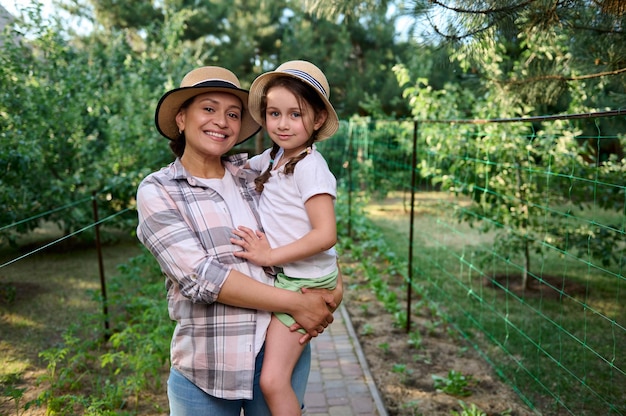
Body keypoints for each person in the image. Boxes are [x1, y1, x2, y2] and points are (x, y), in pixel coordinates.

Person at [135, 65, 342, 416]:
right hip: (210, 362)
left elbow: (305, 228)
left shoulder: (252, 174)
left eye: (233, 114)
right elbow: (201, 277)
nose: (222, 121)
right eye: (209, 109)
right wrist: (297, 304)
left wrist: (332, 289)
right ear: (182, 118)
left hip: (276, 343)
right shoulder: (159, 190)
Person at [230, 60, 340, 416]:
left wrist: (268, 256)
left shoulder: (310, 166)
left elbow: (326, 234)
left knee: (273, 381)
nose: (282, 123)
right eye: (274, 113)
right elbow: (236, 171)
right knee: (274, 379)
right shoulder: (276, 156)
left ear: (318, 119)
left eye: (296, 114)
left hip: (302, 282)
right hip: (296, 278)